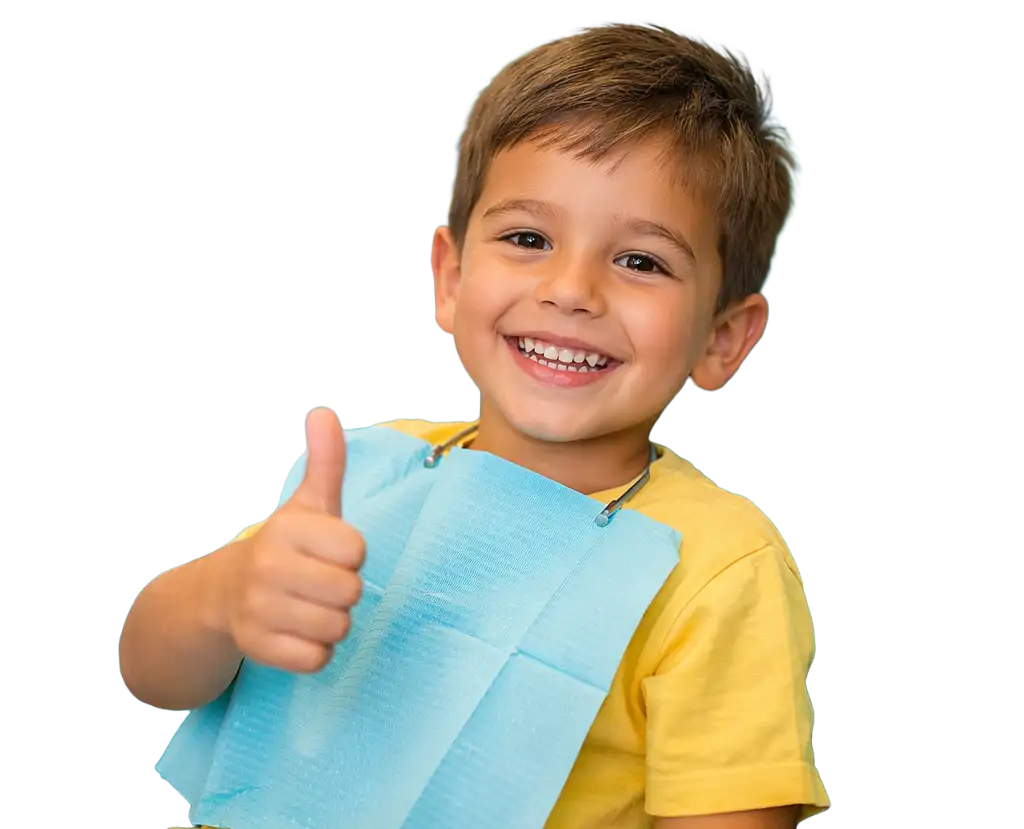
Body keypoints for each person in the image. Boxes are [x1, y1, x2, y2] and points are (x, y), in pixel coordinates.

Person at [118, 22, 830, 829]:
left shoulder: (715, 567)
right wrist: (224, 599)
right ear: (451, 278)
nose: (571, 289)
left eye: (641, 261)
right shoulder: (366, 478)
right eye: (528, 238)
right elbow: (151, 672)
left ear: (721, 338)